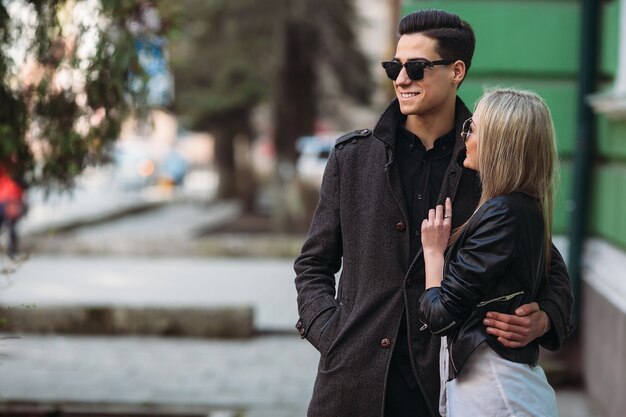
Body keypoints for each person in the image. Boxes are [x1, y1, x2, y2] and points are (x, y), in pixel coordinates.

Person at [294, 9, 573, 417]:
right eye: (395, 66)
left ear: (457, 70)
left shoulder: (489, 163)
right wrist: (331, 333)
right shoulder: (351, 158)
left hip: (446, 387)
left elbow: (550, 265)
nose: (401, 78)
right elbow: (313, 264)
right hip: (354, 383)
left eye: (416, 67)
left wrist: (546, 317)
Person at [419, 88, 560, 416]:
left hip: (495, 391)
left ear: (499, 144)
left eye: (474, 129)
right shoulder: (521, 209)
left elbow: (441, 316)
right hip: (496, 387)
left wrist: (433, 253)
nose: (465, 137)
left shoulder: (504, 213)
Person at [0, 164, 26, 258]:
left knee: (12, 228)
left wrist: (15, 205)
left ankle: (12, 251)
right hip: (4, 205)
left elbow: (20, 195)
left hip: (12, 205)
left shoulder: (15, 176)